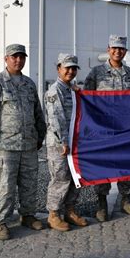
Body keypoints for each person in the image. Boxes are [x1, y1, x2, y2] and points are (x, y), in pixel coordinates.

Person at [0, 44, 47, 240]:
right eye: (14, 57)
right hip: (5, 146)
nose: (18, 60)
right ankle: (0, 222)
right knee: (4, 185)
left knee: (29, 183)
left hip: (28, 145)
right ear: (6, 59)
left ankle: (27, 215)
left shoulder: (29, 84)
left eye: (21, 57)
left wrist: (39, 135)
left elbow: (37, 112)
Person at [84, 35, 130, 222]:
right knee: (105, 165)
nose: (118, 51)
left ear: (125, 51)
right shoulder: (96, 73)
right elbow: (86, 100)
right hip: (104, 130)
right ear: (108, 49)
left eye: (121, 49)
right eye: (114, 48)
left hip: (125, 129)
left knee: (126, 163)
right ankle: (101, 203)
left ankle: (126, 201)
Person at [44, 53, 87, 231]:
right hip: (59, 145)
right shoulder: (55, 91)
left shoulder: (72, 89)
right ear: (58, 69)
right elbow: (56, 119)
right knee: (60, 179)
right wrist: (63, 142)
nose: (70, 71)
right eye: (67, 67)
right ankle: (53, 214)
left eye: (73, 68)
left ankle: (70, 211)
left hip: (74, 142)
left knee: (75, 177)